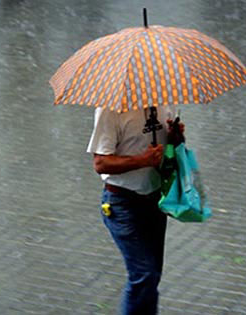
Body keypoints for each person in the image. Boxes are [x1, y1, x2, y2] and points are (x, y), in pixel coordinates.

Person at [87, 105, 184, 315]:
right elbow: (101, 162)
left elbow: (169, 150)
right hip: (122, 203)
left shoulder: (164, 102)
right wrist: (143, 160)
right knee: (144, 274)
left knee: (152, 276)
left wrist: (176, 138)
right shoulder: (110, 109)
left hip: (155, 200)